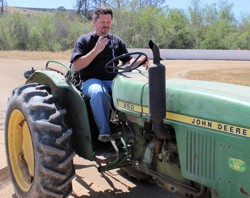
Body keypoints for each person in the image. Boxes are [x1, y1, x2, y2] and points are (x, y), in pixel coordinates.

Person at [70, 7, 148, 143]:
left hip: (114, 80)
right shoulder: (84, 40)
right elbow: (77, 65)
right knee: (99, 93)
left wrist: (140, 61)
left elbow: (126, 63)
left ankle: (138, 133)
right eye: (102, 22)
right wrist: (96, 50)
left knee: (137, 91)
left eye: (108, 22)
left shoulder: (116, 41)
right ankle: (105, 133)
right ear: (94, 23)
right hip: (91, 80)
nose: (106, 25)